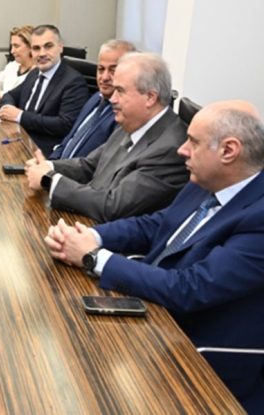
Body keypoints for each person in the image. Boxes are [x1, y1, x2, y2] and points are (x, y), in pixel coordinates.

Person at [43, 100, 264, 413]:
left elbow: (190, 288)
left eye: (193, 142)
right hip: (153, 314)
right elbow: (156, 224)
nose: (182, 150)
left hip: (195, 361)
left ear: (229, 151)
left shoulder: (258, 217)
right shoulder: (207, 180)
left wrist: (94, 258)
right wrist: (92, 236)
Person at [25, 52, 189, 222]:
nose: (112, 99)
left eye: (120, 91)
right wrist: (47, 166)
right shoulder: (132, 121)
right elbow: (90, 166)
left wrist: (49, 180)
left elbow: (114, 206)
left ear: (150, 97)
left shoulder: (170, 149)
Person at [0, 24, 88, 156]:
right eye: (36, 48)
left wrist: (20, 116)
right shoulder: (34, 74)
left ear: (60, 47)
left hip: (44, 153)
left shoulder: (73, 81)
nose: (42, 53)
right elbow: (10, 95)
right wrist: (8, 108)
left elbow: (64, 125)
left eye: (48, 46)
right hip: (19, 142)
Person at [49, 39, 137, 159]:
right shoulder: (96, 98)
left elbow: (100, 164)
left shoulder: (124, 114)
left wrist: (55, 168)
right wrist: (51, 163)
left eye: (113, 70)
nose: (104, 77)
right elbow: (69, 138)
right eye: (101, 69)